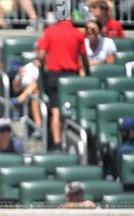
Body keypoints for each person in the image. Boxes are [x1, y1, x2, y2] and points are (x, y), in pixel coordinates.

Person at [37, 18, 88, 151]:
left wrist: (41, 66)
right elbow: (83, 58)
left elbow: (41, 55)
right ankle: (73, 141)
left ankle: (57, 144)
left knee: (56, 111)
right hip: (71, 78)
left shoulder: (50, 32)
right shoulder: (78, 33)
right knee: (71, 109)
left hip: (54, 77)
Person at [11, 58, 42, 133]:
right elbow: (15, 89)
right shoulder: (26, 68)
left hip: (37, 91)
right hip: (26, 91)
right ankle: (38, 124)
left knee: (35, 90)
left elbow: (36, 82)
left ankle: (20, 99)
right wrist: (20, 76)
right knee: (34, 92)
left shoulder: (39, 68)